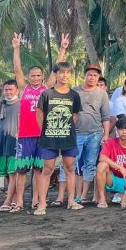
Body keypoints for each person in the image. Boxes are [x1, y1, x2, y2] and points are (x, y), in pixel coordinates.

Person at [11, 33, 68, 211]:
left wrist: (62, 49)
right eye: (32, 75)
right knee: (21, 170)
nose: (35, 78)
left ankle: (36, 200)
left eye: (38, 75)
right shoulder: (23, 89)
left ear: (42, 77)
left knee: (38, 170)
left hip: (42, 136)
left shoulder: (46, 89)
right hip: (25, 136)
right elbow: (17, 70)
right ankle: (19, 202)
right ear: (28, 77)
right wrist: (16, 48)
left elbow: (56, 69)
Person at [34, 61, 82, 215]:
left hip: (68, 138)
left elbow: (75, 115)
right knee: (47, 169)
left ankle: (71, 201)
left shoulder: (74, 95)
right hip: (49, 138)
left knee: (70, 168)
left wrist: (65, 127)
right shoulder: (46, 94)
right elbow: (39, 114)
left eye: (67, 72)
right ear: (55, 74)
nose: (64, 75)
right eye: (61, 72)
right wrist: (45, 131)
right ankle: (42, 204)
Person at [72, 65, 110, 205]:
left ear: (98, 77)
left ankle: (83, 195)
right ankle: (73, 195)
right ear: (85, 75)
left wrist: (106, 134)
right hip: (77, 133)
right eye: (90, 75)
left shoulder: (102, 94)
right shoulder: (74, 91)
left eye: (95, 75)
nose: (92, 77)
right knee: (72, 163)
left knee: (90, 164)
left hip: (95, 134)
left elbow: (105, 116)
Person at [0, 81, 21, 211]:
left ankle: (8, 200)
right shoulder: (0, 106)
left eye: (11, 90)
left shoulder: (21, 105)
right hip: (2, 144)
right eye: (6, 90)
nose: (8, 92)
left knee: (13, 172)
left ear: (17, 91)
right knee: (5, 172)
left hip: (15, 143)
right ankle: (14, 198)